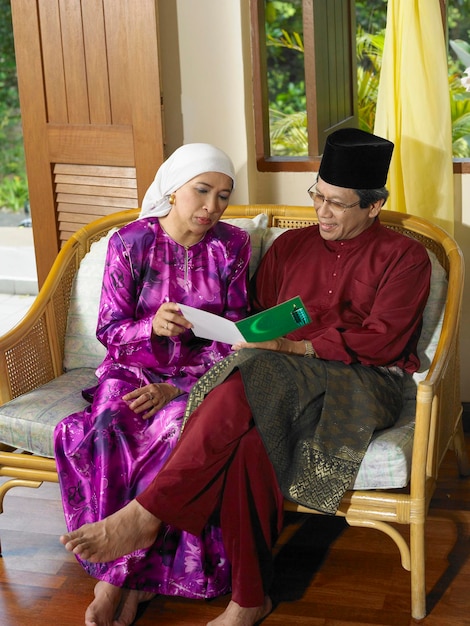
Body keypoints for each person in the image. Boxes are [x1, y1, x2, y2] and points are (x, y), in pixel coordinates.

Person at [59, 128, 432, 626]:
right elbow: (251, 321)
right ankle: (250, 600)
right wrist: (258, 338)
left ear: (373, 205)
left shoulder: (405, 257)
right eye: (317, 196)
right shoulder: (288, 248)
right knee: (250, 443)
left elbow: (384, 340)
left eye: (337, 204)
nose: (321, 212)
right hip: (280, 382)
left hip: (361, 384)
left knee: (253, 370)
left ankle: (147, 515)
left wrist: (293, 344)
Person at [53, 143, 251, 626]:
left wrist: (178, 388)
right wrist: (151, 328)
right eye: (201, 191)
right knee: (109, 425)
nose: (212, 207)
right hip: (131, 370)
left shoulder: (233, 246)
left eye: (223, 196)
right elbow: (110, 331)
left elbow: (238, 334)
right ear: (173, 189)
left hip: (199, 378)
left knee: (170, 427)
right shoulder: (130, 242)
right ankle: (125, 581)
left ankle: (118, 582)